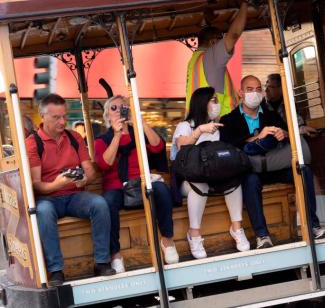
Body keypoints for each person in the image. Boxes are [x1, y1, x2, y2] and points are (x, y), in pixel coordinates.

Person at [26, 94, 114, 287]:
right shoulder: (33, 143)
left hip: (74, 195)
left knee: (100, 204)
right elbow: (36, 184)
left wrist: (84, 179)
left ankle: (102, 262)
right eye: (56, 117)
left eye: (64, 116)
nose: (63, 121)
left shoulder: (74, 137)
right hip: (48, 197)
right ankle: (56, 270)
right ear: (43, 116)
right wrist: (57, 184)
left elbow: (89, 170)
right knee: (42, 212)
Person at [95, 95, 179, 270]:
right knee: (107, 203)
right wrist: (117, 135)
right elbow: (105, 163)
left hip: (141, 181)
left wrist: (140, 122)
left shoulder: (138, 134)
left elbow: (157, 147)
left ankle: (167, 240)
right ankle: (115, 254)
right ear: (107, 116)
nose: (118, 111)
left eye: (123, 107)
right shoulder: (102, 140)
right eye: (113, 108)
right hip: (117, 186)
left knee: (162, 190)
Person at [172, 87, 250, 259]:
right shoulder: (185, 125)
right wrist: (200, 130)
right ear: (202, 103)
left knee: (233, 180)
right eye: (213, 100)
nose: (217, 104)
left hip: (214, 176)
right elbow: (181, 147)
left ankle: (237, 228)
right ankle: (194, 234)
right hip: (188, 180)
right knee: (199, 185)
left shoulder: (218, 127)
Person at [263, 73, 325, 238]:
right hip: (265, 161)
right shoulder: (262, 108)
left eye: (269, 87)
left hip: (284, 158)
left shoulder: (287, 105)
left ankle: (311, 224)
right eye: (265, 87)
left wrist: (302, 129)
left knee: (304, 171)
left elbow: (295, 125)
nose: (266, 91)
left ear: (280, 88)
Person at [185, 0, 249, 117]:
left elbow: (206, 34)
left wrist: (207, 22)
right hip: (220, 124)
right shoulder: (210, 58)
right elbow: (233, 35)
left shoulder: (195, 60)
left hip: (200, 122)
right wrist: (245, 4)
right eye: (220, 39)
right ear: (214, 42)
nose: (222, 42)